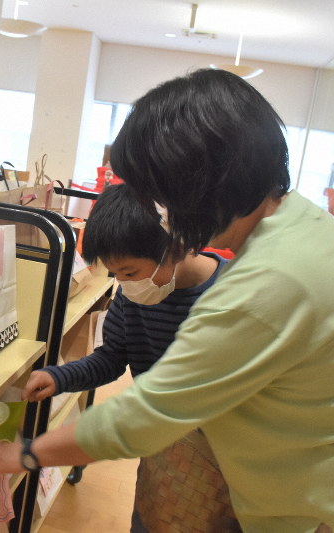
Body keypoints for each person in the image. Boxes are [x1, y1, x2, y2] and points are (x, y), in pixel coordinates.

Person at [0, 69, 334, 532]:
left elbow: (148, 415)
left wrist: (28, 453)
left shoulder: (261, 287)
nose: (160, 212)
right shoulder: (302, 228)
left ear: (196, 186)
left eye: (157, 192)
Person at [21, 183, 233, 531]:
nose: (124, 284)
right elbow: (112, 358)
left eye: (130, 273)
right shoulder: (135, 293)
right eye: (115, 274)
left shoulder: (232, 295)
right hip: (162, 451)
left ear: (176, 246)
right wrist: (59, 377)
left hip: (225, 461)